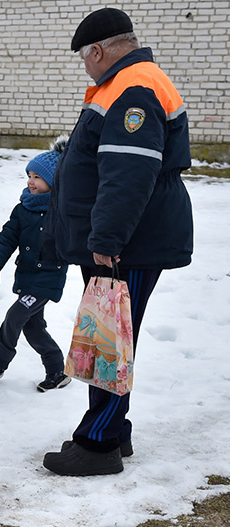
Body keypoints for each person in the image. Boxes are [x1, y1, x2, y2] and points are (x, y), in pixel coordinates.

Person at [40, 7, 193, 476]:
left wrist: (105, 239)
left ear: (99, 50)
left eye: (85, 58)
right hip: (129, 239)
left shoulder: (135, 88)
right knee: (113, 336)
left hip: (128, 243)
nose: (85, 67)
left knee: (110, 341)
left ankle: (99, 443)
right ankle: (114, 430)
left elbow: (128, 174)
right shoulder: (127, 82)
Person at [0, 142, 70, 392]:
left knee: (15, 316)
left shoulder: (62, 211)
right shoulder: (23, 208)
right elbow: (7, 237)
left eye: (38, 177)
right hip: (27, 278)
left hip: (47, 279)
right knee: (33, 328)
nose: (31, 181)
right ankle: (57, 372)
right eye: (29, 175)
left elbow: (76, 239)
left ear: (54, 180)